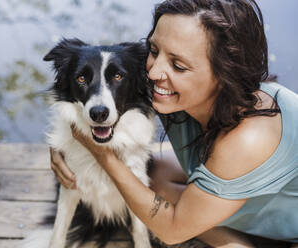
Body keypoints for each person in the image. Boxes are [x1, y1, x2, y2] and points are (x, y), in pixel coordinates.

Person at [50, 0, 298, 247]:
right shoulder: (187, 93)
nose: (154, 72)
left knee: (162, 211)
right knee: (153, 174)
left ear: (225, 72)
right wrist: (65, 144)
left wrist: (101, 153)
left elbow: (170, 232)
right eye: (155, 51)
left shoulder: (247, 138)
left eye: (178, 65)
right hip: (255, 205)